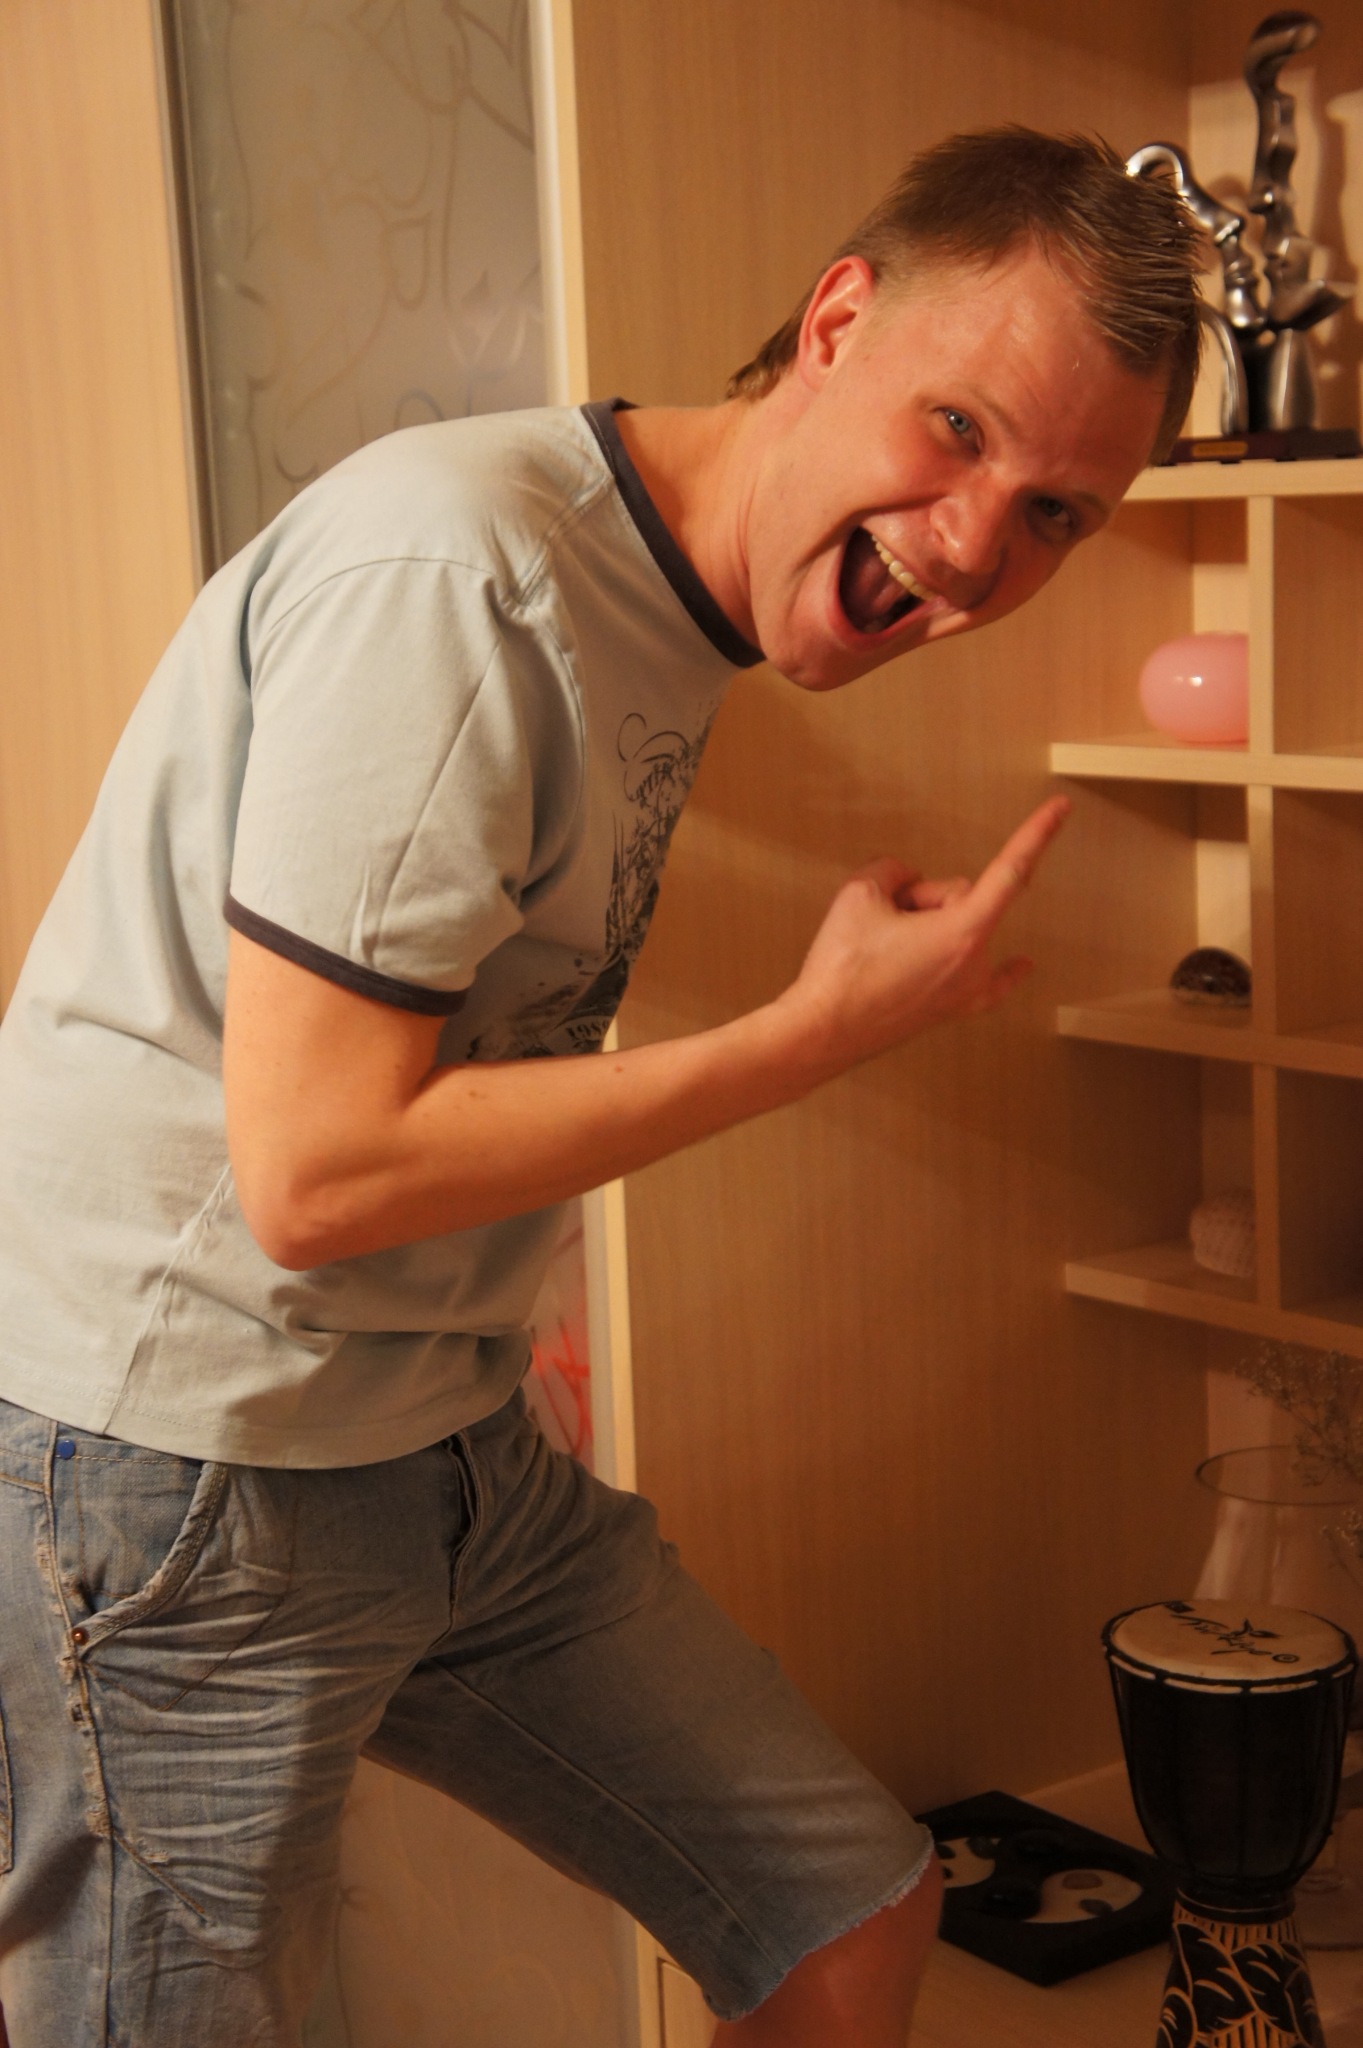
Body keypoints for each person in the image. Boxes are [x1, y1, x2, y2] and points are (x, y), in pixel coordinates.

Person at [0, 127, 1198, 2045]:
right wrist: (819, 1029)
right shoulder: (462, 575)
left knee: (845, 1909)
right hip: (188, 1450)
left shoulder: (664, 601)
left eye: (1057, 509)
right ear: (836, 321)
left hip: (435, 1437)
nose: (980, 546)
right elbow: (317, 1171)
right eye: (959, 428)